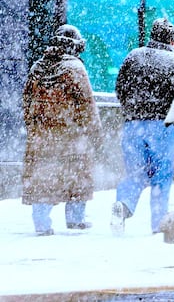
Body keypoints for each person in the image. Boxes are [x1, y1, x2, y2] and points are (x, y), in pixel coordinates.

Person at [22, 24, 102, 236]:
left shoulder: (37, 67)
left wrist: (33, 126)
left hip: (42, 134)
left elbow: (26, 100)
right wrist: (94, 130)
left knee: (43, 177)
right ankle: (75, 218)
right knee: (78, 175)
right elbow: (86, 103)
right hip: (70, 133)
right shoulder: (75, 68)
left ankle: (41, 222)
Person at [111, 18, 174, 235]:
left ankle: (123, 204)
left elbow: (120, 87)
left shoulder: (133, 56)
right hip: (162, 125)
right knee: (161, 176)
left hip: (133, 125)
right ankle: (159, 223)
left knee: (134, 172)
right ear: (171, 39)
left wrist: (131, 111)